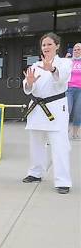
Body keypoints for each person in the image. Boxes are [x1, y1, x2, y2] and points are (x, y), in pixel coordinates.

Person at [22, 32, 73, 194]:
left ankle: (62, 181)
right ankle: (35, 173)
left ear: (57, 46)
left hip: (56, 108)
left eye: (49, 44)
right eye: (44, 45)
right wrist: (29, 84)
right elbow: (28, 87)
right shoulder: (35, 65)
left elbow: (62, 79)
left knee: (59, 145)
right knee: (36, 144)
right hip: (37, 109)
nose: (46, 47)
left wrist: (52, 69)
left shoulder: (64, 62)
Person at [67, 43, 81, 140]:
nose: (76, 51)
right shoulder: (68, 61)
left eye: (79, 49)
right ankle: (64, 131)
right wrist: (65, 59)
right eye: (75, 49)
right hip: (69, 89)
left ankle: (75, 133)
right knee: (67, 110)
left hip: (80, 90)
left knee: (78, 112)